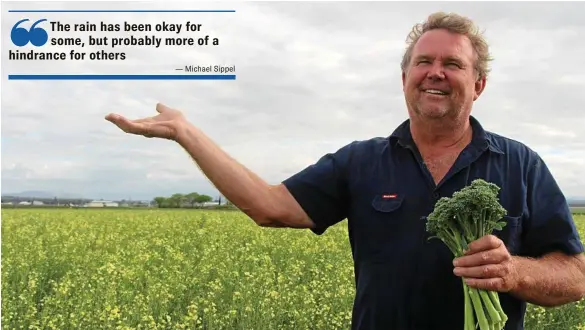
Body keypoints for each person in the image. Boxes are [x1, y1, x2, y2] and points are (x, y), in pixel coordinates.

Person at [105, 11, 585, 330]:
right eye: (424, 62)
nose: (435, 72)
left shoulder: (521, 165)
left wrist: (514, 272)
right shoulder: (361, 161)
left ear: (478, 83)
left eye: (452, 65)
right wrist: (187, 132)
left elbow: (576, 275)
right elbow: (270, 207)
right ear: (404, 79)